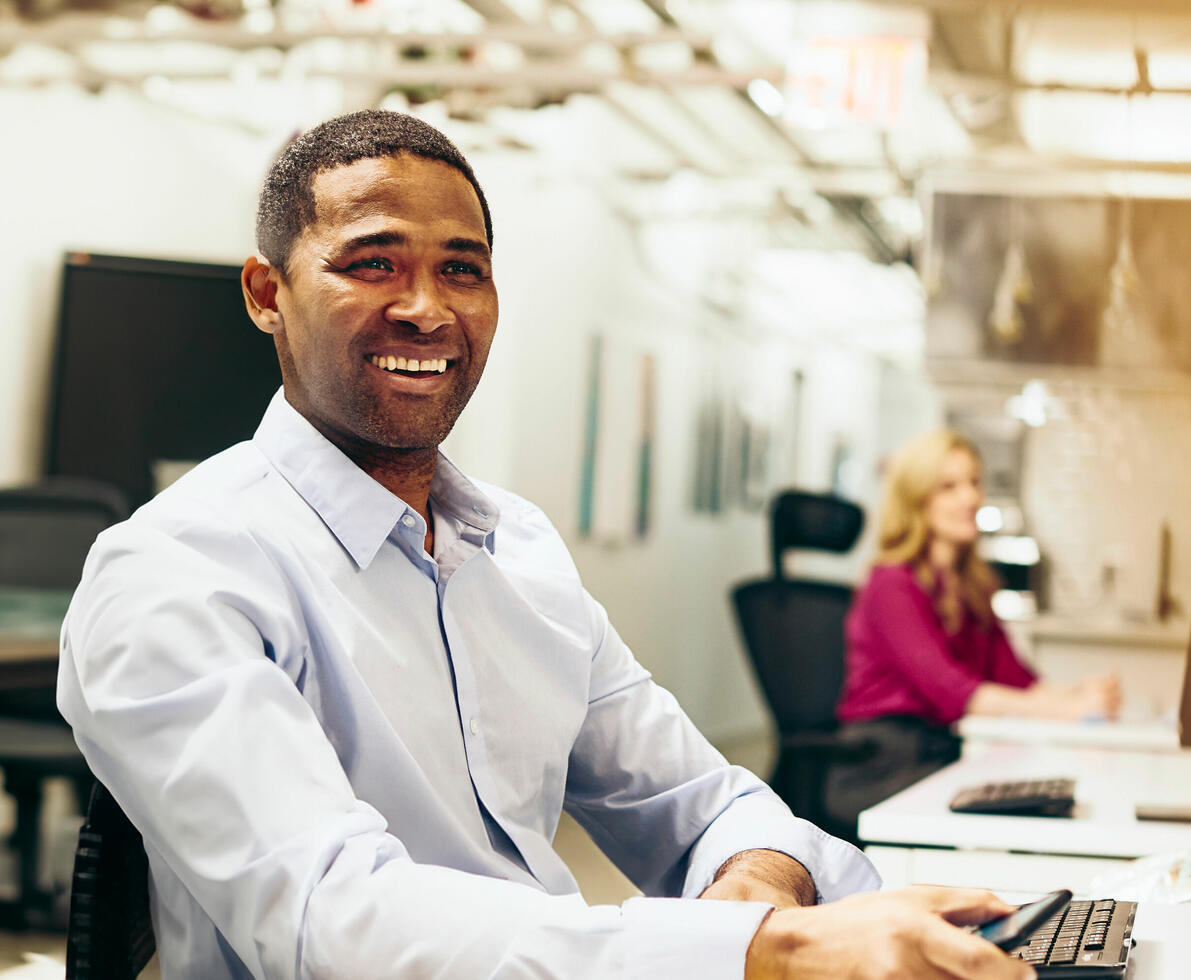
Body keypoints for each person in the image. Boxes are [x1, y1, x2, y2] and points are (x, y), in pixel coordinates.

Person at [58, 110, 1033, 979]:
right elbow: (332, 922)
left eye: (462, 269)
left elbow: (707, 797)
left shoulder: (517, 554)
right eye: (372, 263)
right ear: (266, 293)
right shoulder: (177, 573)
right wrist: (756, 950)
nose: (428, 307)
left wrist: (752, 888)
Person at [829, 428, 1121, 822]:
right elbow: (955, 694)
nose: (970, 497)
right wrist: (1068, 710)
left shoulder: (971, 588)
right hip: (883, 761)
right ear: (916, 500)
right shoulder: (891, 584)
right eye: (948, 486)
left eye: (974, 482)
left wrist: (1081, 694)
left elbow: (1018, 680)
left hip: (939, 750)